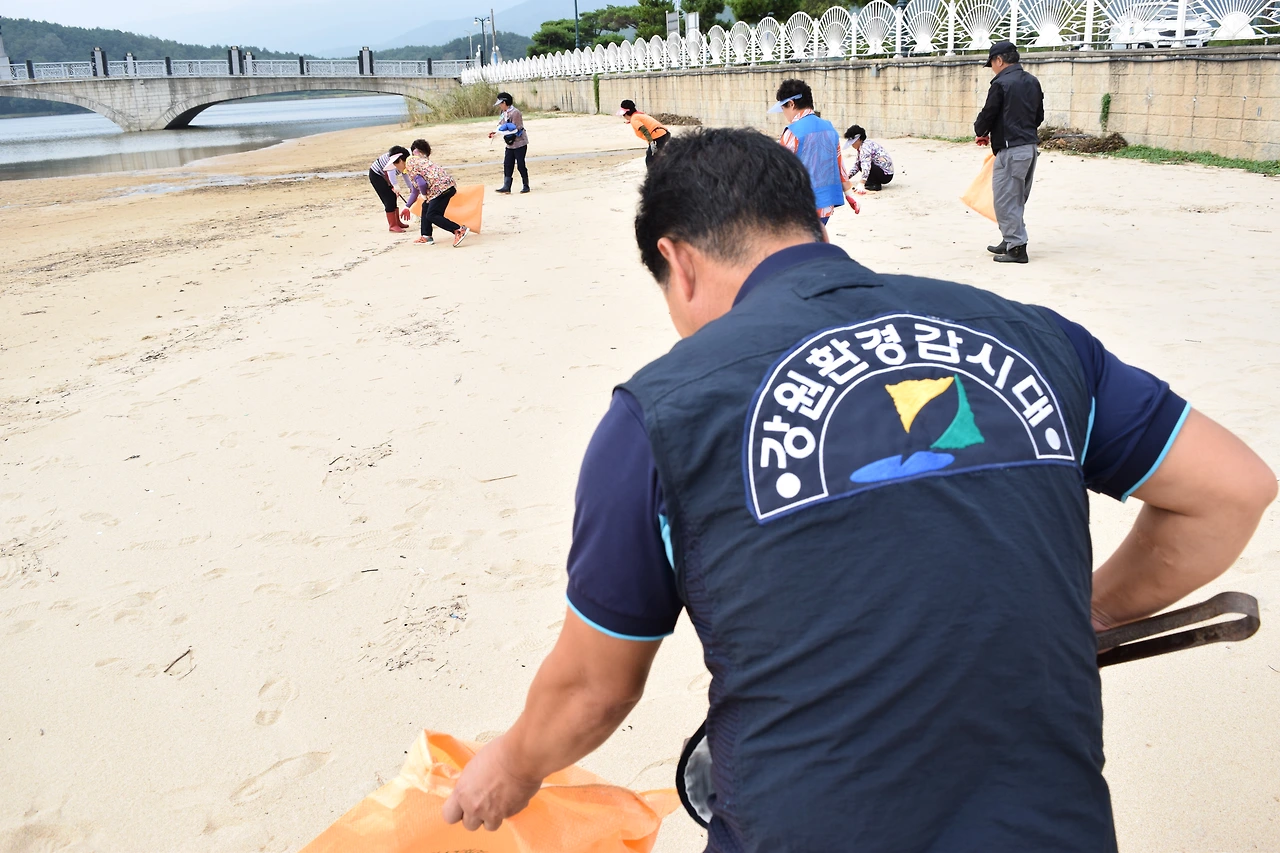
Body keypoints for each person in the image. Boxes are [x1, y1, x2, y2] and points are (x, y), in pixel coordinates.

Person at [439, 128, 1275, 851]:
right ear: (807, 220)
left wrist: (508, 767)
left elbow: (594, 687)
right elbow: (1232, 488)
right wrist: (1087, 610)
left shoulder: (661, 412)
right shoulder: (1033, 335)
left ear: (677, 260)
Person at [974, 39, 1045, 264]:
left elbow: (989, 113)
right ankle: (1009, 239)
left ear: (999, 60)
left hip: (1011, 151)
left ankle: (1017, 248)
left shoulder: (1001, 83)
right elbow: (1038, 116)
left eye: (992, 63)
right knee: (1015, 198)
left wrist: (981, 130)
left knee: (1005, 200)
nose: (992, 68)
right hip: (1029, 148)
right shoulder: (1032, 81)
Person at [772, 78, 849, 224]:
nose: (784, 114)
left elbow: (779, 171)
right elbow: (840, 166)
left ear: (791, 104)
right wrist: (849, 194)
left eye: (783, 108)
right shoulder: (829, 128)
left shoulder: (793, 132)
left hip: (801, 205)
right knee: (816, 239)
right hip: (827, 204)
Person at [403, 138, 469, 248]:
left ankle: (458, 229)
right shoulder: (424, 162)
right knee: (426, 206)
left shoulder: (412, 163)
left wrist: (424, 194)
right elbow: (415, 190)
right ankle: (426, 235)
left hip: (439, 190)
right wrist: (407, 206)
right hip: (448, 186)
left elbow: (421, 184)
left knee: (432, 214)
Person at [489, 92, 530, 194]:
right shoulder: (503, 113)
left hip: (520, 142)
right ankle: (506, 186)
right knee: (507, 164)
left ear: (505, 102)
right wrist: (495, 132)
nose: (499, 105)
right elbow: (500, 125)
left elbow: (516, 129)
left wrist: (501, 132)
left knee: (520, 164)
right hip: (509, 143)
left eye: (500, 103)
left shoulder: (516, 113)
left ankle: (526, 185)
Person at [617, 99, 670, 168]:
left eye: (624, 115)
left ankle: (656, 175)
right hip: (663, 134)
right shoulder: (638, 115)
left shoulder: (634, 119)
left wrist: (651, 143)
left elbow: (644, 130)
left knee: (650, 160)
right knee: (656, 156)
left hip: (658, 136)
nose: (624, 117)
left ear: (627, 113)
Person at [369, 145, 409, 233]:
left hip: (386, 176)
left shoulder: (405, 159)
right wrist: (395, 187)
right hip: (377, 175)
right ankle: (392, 225)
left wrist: (410, 187)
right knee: (389, 198)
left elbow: (405, 173)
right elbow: (390, 174)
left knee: (393, 197)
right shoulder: (394, 160)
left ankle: (397, 221)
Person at [843, 124, 894, 192]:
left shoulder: (865, 147)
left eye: (853, 142)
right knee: (860, 164)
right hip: (884, 172)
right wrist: (846, 178)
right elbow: (857, 165)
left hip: (885, 174)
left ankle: (875, 184)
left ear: (859, 139)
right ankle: (871, 181)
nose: (852, 145)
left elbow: (866, 165)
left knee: (864, 164)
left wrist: (862, 183)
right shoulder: (863, 146)